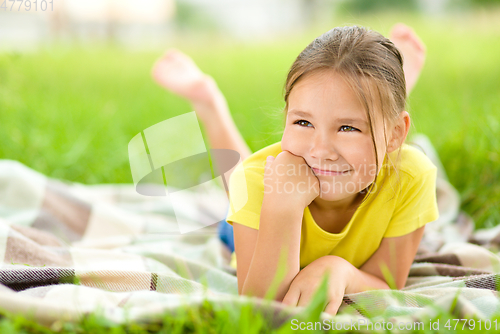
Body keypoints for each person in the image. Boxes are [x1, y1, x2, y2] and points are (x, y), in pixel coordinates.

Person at [151, 24, 434, 315]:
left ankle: (384, 99)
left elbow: (387, 283)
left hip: (380, 147)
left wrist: (339, 271)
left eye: (348, 127)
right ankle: (210, 105)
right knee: (240, 176)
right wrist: (281, 207)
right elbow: (260, 308)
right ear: (287, 117)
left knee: (361, 119)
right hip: (262, 212)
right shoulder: (256, 180)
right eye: (303, 122)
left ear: (398, 132)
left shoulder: (412, 176)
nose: (320, 150)